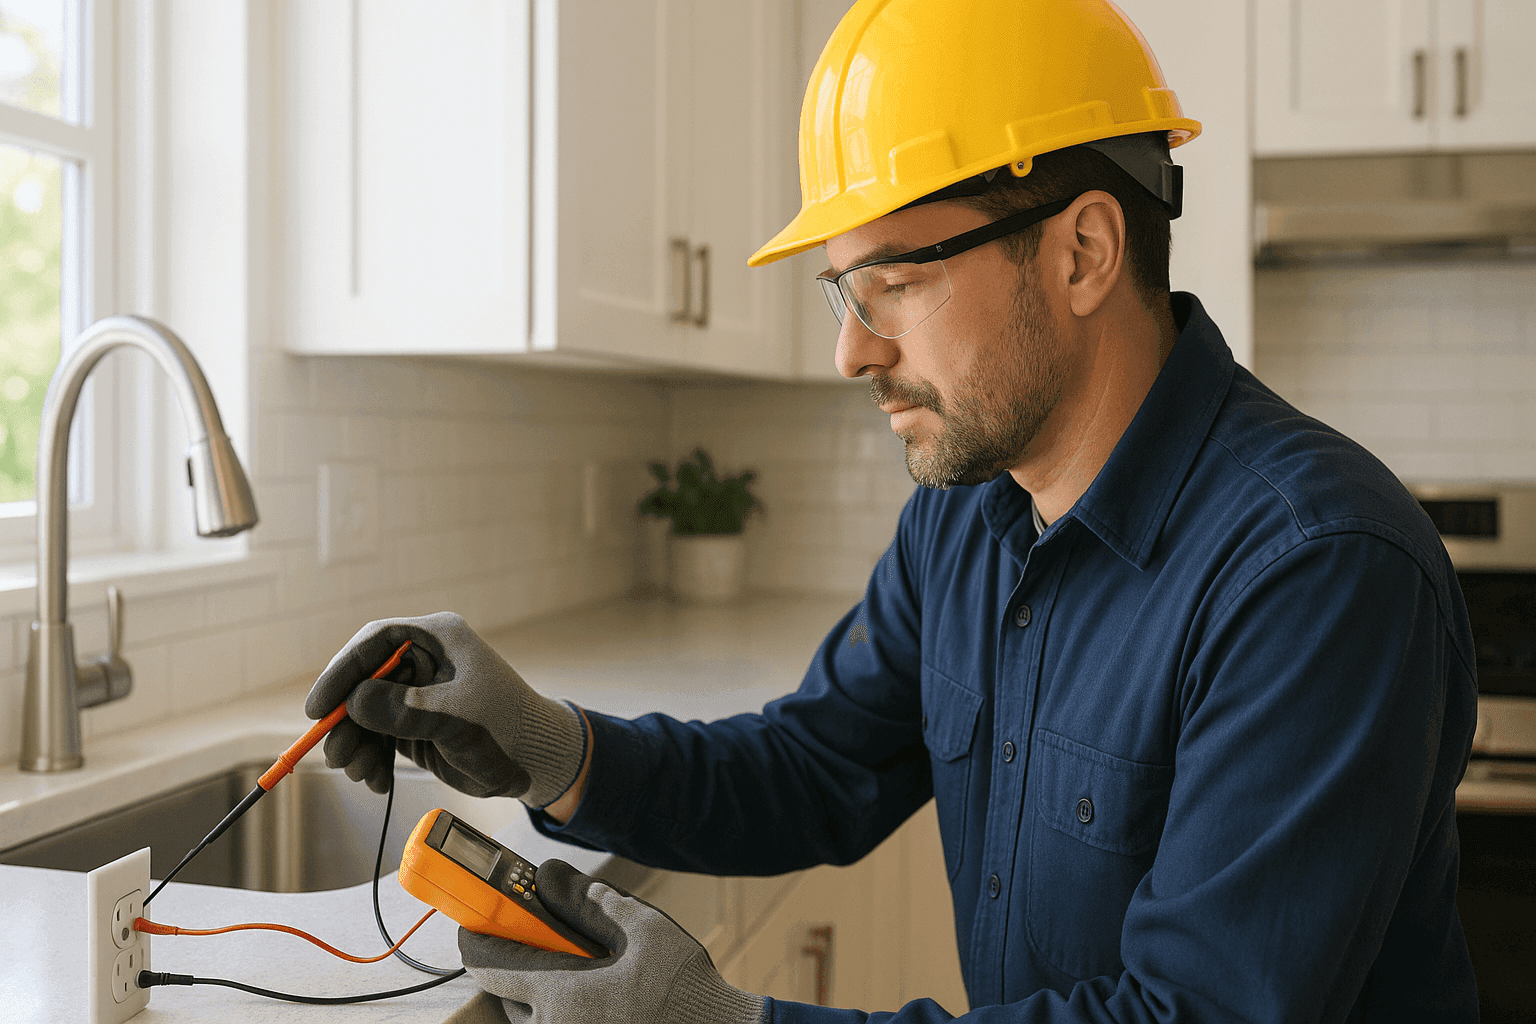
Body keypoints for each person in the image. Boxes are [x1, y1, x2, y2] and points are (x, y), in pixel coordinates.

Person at [306, 2, 1480, 1021]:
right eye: (841, 289)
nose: (849, 349)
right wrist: (547, 746)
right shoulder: (969, 516)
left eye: (894, 285)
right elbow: (817, 767)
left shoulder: (1316, 572)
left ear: (1081, 252)